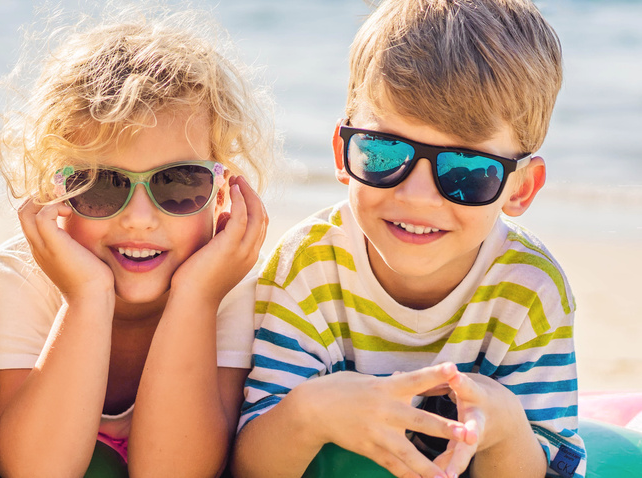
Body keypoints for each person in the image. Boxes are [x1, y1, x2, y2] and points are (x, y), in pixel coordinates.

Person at [233, 0, 585, 477]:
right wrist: (310, 411)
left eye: (466, 170)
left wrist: (502, 426)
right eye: (383, 151)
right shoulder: (307, 267)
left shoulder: (528, 289)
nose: (416, 197)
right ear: (342, 152)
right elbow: (250, 465)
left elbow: (554, 467)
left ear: (520, 188)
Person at [0, 6, 274, 476]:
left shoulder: (228, 287)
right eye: (101, 185)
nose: (139, 220)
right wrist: (86, 297)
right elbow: (37, 470)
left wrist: (196, 297)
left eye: (179, 184)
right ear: (52, 190)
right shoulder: (21, 278)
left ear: (222, 194)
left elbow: (173, 471)